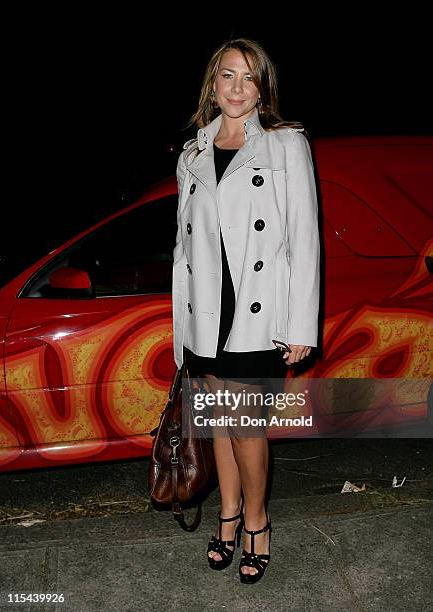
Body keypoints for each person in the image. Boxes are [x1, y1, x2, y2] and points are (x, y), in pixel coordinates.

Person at [172, 37, 320, 584]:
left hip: (256, 307)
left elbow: (305, 238)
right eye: (228, 76)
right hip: (205, 308)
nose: (237, 88)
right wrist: (179, 325)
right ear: (214, 83)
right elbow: (185, 249)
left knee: (246, 425)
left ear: (263, 87)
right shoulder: (193, 151)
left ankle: (257, 521)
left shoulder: (285, 145)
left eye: (249, 77)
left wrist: (300, 324)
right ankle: (227, 517)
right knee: (218, 423)